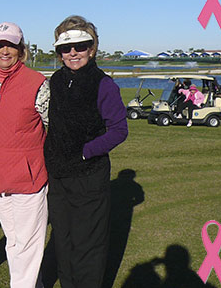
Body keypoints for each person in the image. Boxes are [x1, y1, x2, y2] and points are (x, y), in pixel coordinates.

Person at [44, 15, 128, 288]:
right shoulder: (55, 81)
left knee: (88, 246)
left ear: (92, 49)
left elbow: (118, 129)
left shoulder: (104, 84)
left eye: (80, 46)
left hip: (88, 176)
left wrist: (85, 152)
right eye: (66, 48)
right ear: (58, 52)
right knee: (64, 243)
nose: (73, 53)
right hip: (59, 177)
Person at [0, 22, 49, 288]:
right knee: (16, 242)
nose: (4, 50)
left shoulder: (37, 82)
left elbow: (52, 129)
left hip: (29, 179)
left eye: (11, 45)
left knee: (27, 246)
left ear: (21, 49)